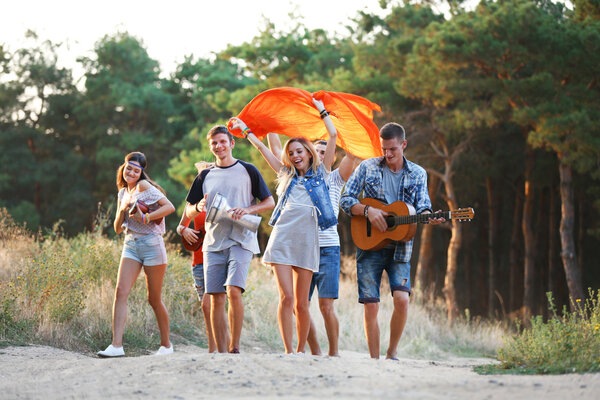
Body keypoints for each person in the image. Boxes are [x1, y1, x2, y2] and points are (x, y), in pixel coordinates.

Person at [229, 97, 338, 354]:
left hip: (308, 241)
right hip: (282, 238)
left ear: (309, 152)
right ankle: (289, 351)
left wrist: (321, 109)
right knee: (286, 298)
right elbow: (262, 149)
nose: (294, 155)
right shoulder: (285, 174)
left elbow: (332, 134)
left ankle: (301, 351)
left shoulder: (323, 173)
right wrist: (247, 130)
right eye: (291, 153)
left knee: (302, 303)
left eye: (299, 151)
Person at [340, 122, 445, 360]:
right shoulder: (367, 167)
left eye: (393, 149)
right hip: (368, 245)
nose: (387, 154)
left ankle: (392, 351)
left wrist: (429, 217)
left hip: (401, 247)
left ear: (404, 145)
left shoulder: (418, 173)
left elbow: (423, 206)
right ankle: (375, 359)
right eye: (384, 149)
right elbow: (345, 198)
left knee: (402, 299)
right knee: (371, 304)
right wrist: (367, 211)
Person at [184, 125, 274, 354]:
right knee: (215, 297)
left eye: (223, 141)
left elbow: (269, 203)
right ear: (210, 146)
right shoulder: (205, 175)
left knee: (234, 290)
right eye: (214, 143)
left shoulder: (248, 169)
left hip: (241, 239)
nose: (219, 146)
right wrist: (197, 207)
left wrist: (247, 209)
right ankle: (222, 353)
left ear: (232, 143)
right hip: (213, 243)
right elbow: (188, 211)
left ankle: (235, 347)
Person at [268, 136, 358, 356]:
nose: (318, 153)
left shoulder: (334, 177)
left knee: (326, 306)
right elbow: (277, 150)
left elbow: (352, 155)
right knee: (299, 305)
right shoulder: (296, 176)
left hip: (327, 248)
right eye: (316, 149)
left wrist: (342, 126)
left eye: (323, 150)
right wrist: (271, 126)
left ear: (331, 155)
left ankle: (333, 352)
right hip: (301, 245)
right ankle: (313, 351)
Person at [98, 152, 176, 357]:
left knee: (154, 299)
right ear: (122, 168)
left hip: (152, 245)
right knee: (120, 291)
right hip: (130, 244)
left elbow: (170, 207)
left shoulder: (144, 187)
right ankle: (116, 346)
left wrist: (147, 216)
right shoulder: (122, 192)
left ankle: (166, 346)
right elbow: (116, 228)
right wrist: (122, 210)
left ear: (141, 172)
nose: (131, 172)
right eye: (128, 168)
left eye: (136, 170)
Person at [176, 161, 220, 353]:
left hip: (218, 257)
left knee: (211, 302)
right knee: (206, 307)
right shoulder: (194, 203)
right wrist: (184, 231)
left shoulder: (220, 198)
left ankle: (224, 346)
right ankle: (213, 348)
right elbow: (180, 225)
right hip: (198, 260)